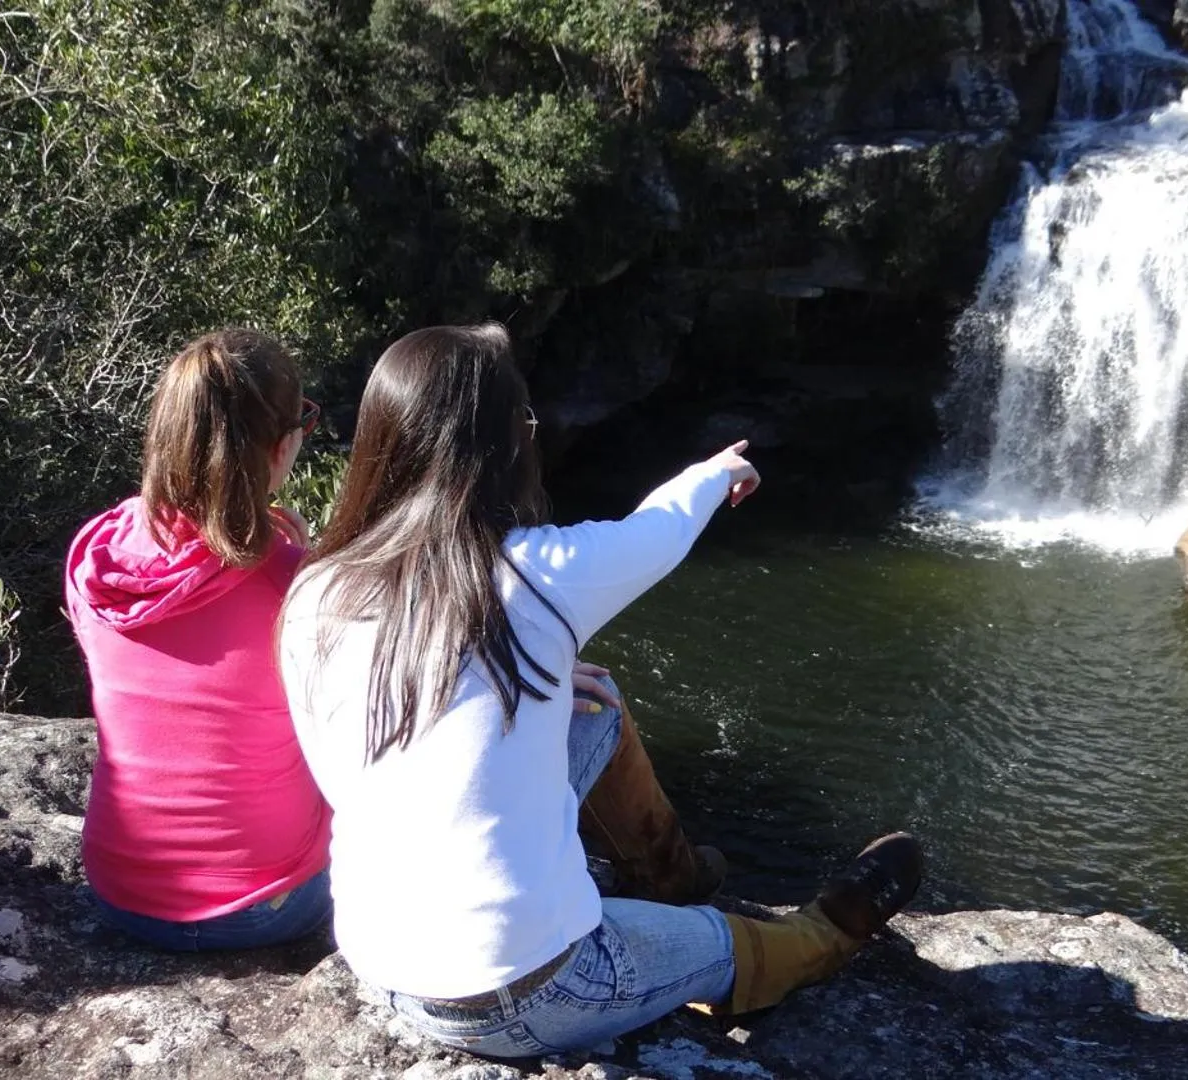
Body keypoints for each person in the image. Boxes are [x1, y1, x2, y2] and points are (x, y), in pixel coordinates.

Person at [277, 323, 922, 1058]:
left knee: (594, 710)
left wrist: (531, 688)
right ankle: (821, 931)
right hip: (519, 992)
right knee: (729, 946)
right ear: (499, 448)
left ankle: (670, 877)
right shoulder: (535, 577)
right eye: (523, 423)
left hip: (379, 954)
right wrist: (717, 473)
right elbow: (658, 532)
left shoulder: (314, 589)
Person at [64, 328, 332, 950]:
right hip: (261, 906)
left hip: (118, 891)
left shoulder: (96, 551)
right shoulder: (294, 585)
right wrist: (304, 559)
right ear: (282, 445)